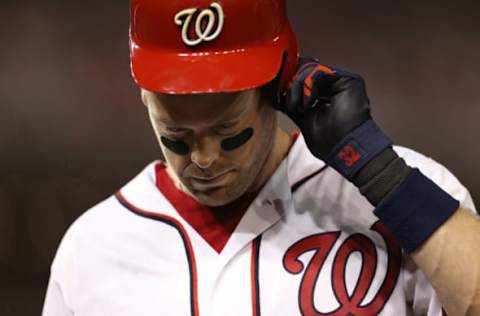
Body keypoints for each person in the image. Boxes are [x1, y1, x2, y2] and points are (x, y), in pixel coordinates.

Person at [42, 0, 480, 315]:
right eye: (176, 137)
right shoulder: (94, 246)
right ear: (144, 97)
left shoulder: (404, 194)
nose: (205, 158)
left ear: (278, 87)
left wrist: (376, 170)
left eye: (230, 134)